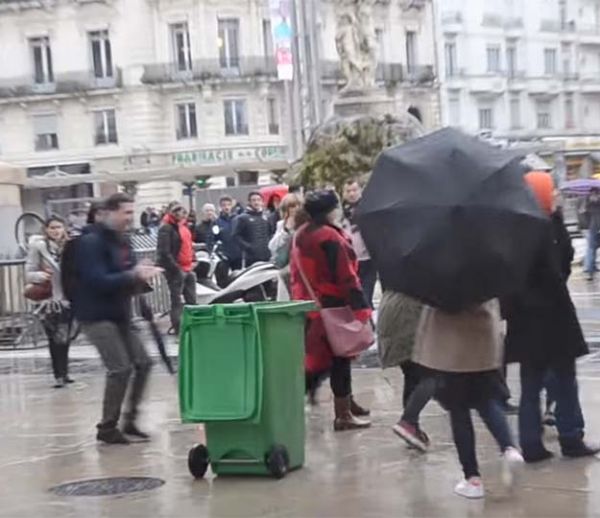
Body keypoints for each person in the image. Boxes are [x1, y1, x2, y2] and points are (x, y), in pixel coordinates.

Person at [503, 171, 599, 462]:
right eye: (551, 191)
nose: (556, 194)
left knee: (531, 385)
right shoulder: (544, 230)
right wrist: (555, 220)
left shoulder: (515, 230)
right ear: (542, 195)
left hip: (524, 322)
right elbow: (559, 269)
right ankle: (570, 437)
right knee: (565, 380)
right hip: (552, 320)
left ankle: (531, 444)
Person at [412, 300, 524, 499]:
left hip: (451, 350)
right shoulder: (484, 271)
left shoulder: (438, 274)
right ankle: (509, 447)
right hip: (483, 343)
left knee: (458, 411)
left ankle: (472, 478)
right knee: (487, 401)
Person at [73, 193, 161, 444]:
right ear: (108, 213)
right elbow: (96, 280)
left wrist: (140, 275)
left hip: (119, 313)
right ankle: (107, 427)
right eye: (125, 212)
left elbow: (126, 274)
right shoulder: (90, 242)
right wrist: (133, 274)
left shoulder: (122, 241)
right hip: (95, 315)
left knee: (143, 362)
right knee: (120, 368)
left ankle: (130, 421)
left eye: (132, 213)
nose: (129, 218)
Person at [290, 189, 372, 431]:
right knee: (339, 360)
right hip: (332, 306)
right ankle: (343, 414)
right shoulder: (329, 237)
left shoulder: (301, 233)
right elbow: (346, 276)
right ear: (331, 210)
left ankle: (346, 402)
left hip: (310, 305)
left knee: (322, 360)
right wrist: (361, 308)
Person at [377, 290, 432, 451]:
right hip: (408, 315)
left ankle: (412, 427)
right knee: (434, 374)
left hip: (392, 306)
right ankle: (408, 421)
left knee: (412, 374)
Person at [25, 215, 73, 388]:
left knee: (65, 336)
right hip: (48, 300)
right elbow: (28, 272)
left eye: (58, 227)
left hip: (67, 298)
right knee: (54, 337)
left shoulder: (70, 247)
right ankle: (59, 375)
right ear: (46, 230)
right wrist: (41, 275)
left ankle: (65, 372)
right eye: (52, 227)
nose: (55, 231)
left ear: (64, 228)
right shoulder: (38, 247)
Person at [157, 201, 197, 334]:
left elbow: (189, 245)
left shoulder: (183, 227)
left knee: (191, 299)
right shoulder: (166, 228)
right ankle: (178, 328)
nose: (181, 213)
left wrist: (193, 260)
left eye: (182, 211)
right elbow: (164, 252)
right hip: (176, 269)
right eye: (177, 211)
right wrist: (176, 268)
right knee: (177, 300)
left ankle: (193, 324)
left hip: (187, 267)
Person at [342, 180, 376, 308]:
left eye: (354, 190)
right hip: (349, 259)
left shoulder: (367, 207)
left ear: (360, 190)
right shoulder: (339, 211)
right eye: (348, 191)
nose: (351, 194)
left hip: (368, 258)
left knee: (366, 295)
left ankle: (368, 323)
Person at [268, 193, 305, 300]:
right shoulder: (282, 224)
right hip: (286, 267)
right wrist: (286, 230)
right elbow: (272, 246)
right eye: (292, 206)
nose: (295, 209)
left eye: (298, 205)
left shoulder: (307, 223)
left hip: (303, 266)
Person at [233, 191, 271, 267]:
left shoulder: (266, 217)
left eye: (258, 200)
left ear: (262, 202)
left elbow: (271, 232)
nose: (256, 202)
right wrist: (248, 247)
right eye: (254, 200)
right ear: (249, 202)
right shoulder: (242, 218)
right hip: (251, 258)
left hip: (267, 255)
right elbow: (236, 236)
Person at [583, 187, 600, 281]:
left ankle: (590, 272)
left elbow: (586, 215)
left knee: (591, 250)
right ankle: (590, 270)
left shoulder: (588, 204)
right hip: (596, 227)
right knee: (591, 250)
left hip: (593, 227)